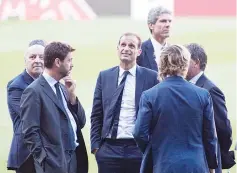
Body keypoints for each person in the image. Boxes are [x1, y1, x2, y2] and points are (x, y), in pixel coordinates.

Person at [133, 44, 218, 173]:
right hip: (195, 165)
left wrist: (155, 150)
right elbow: (210, 136)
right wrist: (212, 165)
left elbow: (139, 133)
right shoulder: (202, 95)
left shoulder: (149, 95)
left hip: (163, 164)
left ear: (161, 63)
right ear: (185, 63)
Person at [90, 32, 158, 173]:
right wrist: (96, 146)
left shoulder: (151, 77)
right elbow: (96, 114)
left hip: (138, 148)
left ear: (138, 51)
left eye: (131, 46)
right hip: (108, 150)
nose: (126, 49)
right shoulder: (104, 76)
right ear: (118, 48)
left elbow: (156, 114)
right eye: (123, 45)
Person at [20, 42, 88, 173]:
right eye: (69, 60)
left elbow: (81, 122)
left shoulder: (63, 88)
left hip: (72, 159)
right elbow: (29, 132)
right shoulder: (34, 91)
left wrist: (72, 96)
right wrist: (44, 159)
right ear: (57, 62)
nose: (72, 64)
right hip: (52, 163)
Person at [186, 43, 235, 172]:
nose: (180, 63)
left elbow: (223, 128)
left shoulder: (210, 90)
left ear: (196, 62)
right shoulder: (187, 86)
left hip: (207, 160)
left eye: (185, 60)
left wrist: (218, 152)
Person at [7, 39, 46, 173]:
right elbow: (30, 118)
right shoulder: (17, 86)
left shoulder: (51, 83)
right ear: (25, 60)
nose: (37, 60)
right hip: (27, 153)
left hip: (48, 152)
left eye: (41, 57)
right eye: (32, 57)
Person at [137, 6, 173, 71]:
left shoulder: (175, 51)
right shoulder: (139, 50)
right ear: (151, 25)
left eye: (170, 21)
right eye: (163, 21)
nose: (168, 25)